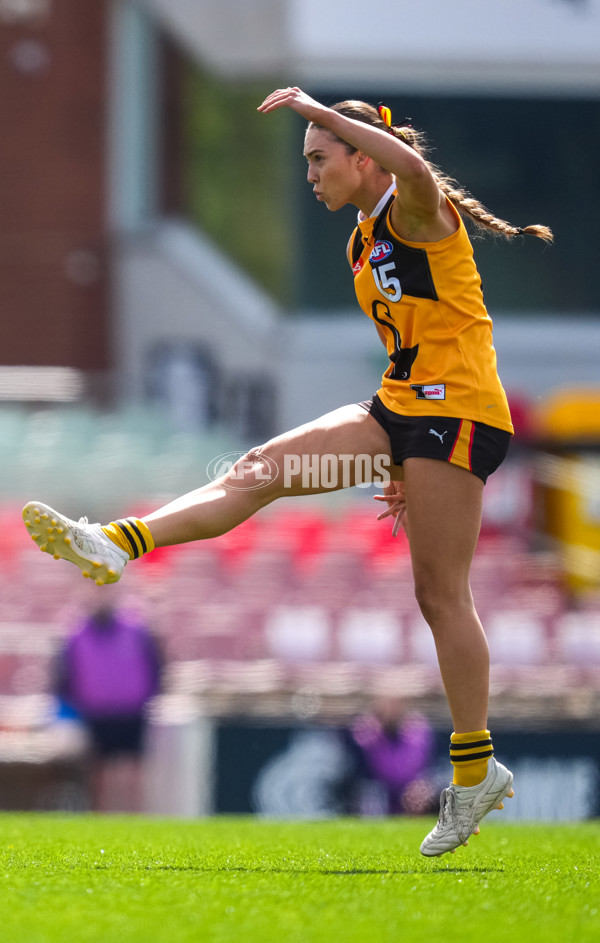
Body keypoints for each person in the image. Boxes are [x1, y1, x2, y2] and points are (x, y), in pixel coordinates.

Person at [23, 86, 553, 853]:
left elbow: (414, 169)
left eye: (319, 157)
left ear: (361, 156)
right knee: (262, 468)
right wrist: (399, 455)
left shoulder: (412, 208)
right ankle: (117, 542)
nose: (310, 173)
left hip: (461, 411)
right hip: (402, 408)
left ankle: (475, 773)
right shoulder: (360, 242)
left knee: (440, 594)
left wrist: (320, 107)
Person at [54, 602, 162, 811]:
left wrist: (146, 698)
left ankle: (136, 821)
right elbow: (65, 677)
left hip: (132, 712)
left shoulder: (137, 631)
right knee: (98, 775)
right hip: (96, 713)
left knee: (133, 773)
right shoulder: (77, 634)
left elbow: (156, 667)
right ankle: (99, 822)